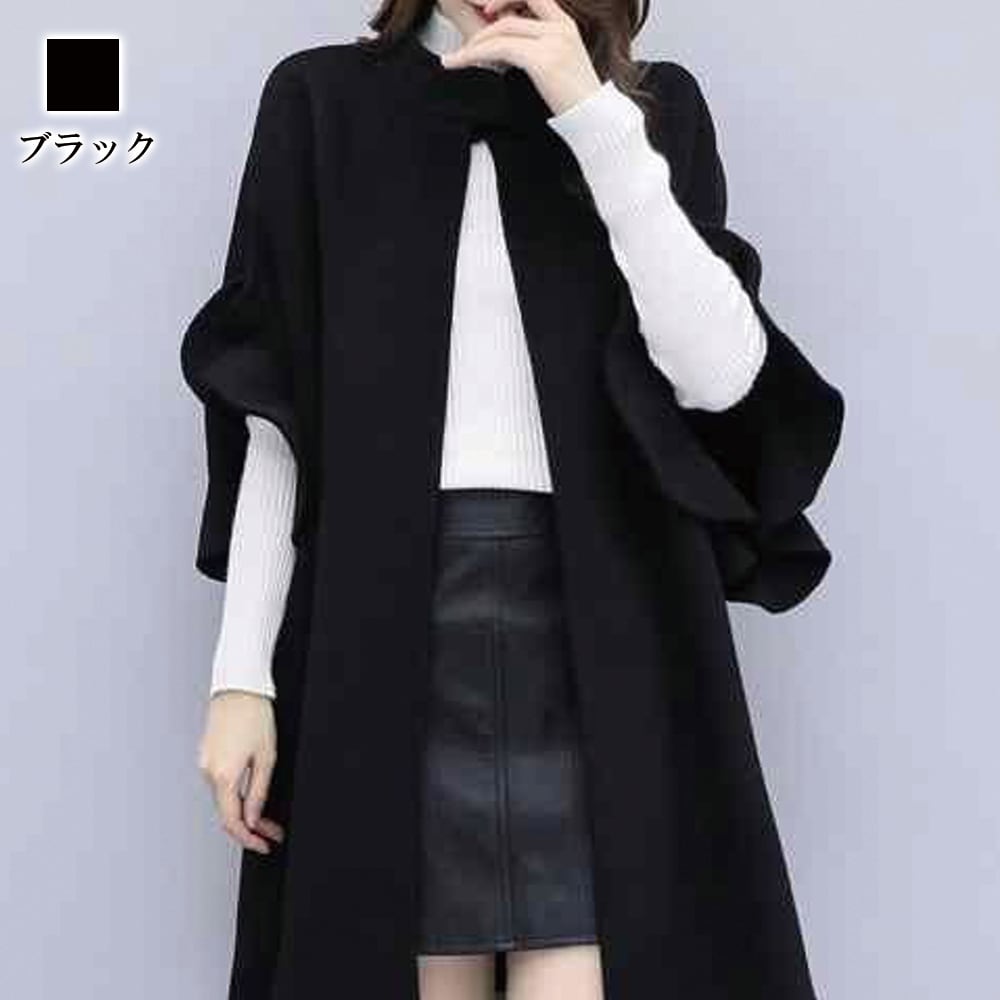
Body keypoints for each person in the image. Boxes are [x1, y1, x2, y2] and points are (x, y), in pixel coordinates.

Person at [181, 2, 844, 998]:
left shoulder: (649, 112)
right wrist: (241, 678)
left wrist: (589, 113)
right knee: (386, 960)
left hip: (604, 637)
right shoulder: (322, 103)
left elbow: (719, 378)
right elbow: (278, 422)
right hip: (384, 634)